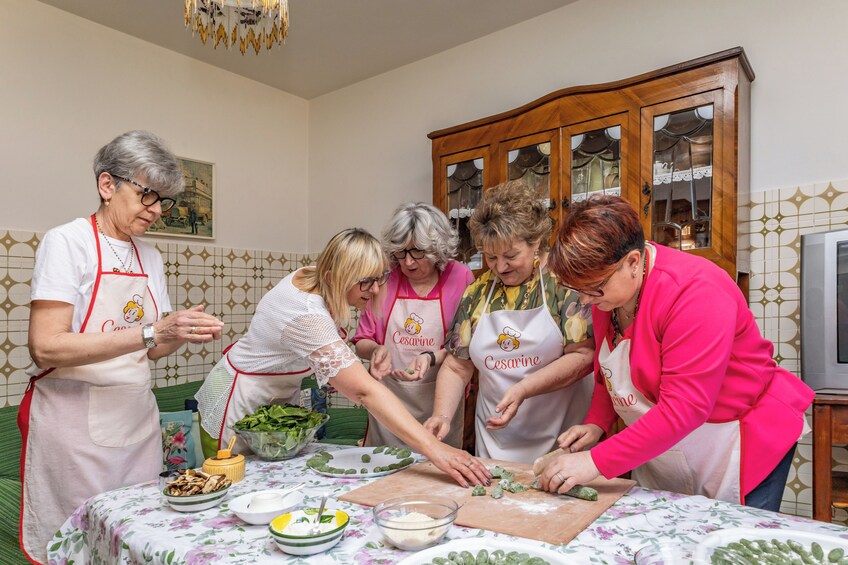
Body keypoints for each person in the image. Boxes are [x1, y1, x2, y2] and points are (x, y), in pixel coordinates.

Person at [20, 130, 224, 564]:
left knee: (138, 534)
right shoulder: (67, 242)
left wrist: (178, 331)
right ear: (107, 185)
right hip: (74, 426)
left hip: (136, 418)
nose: (156, 212)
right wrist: (152, 331)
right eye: (147, 196)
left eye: (162, 201)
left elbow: (149, 350)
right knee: (81, 542)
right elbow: (46, 347)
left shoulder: (151, 257)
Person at [540, 194, 814, 511]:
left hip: (737, 436)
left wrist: (597, 461)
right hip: (672, 441)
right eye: (579, 290)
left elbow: (686, 408)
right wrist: (596, 424)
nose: (585, 301)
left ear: (632, 262)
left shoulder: (695, 291)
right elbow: (611, 375)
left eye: (593, 289)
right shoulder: (609, 296)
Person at [195, 228, 491, 488]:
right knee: (235, 489)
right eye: (366, 282)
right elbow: (364, 390)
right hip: (237, 401)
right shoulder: (304, 314)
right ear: (333, 276)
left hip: (277, 403)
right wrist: (435, 450)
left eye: (379, 279)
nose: (375, 290)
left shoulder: (316, 276)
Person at [424, 180, 595, 462]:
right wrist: (441, 415)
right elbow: (457, 366)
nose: (500, 267)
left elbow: (583, 356)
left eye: (511, 256)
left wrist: (523, 389)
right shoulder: (477, 293)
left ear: (536, 242)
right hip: (496, 440)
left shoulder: (565, 285)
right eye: (490, 257)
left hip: (561, 439)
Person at [352, 203, 473, 448]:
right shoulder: (386, 278)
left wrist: (430, 357)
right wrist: (375, 350)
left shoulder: (460, 277)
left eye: (417, 252)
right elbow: (361, 340)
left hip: (440, 402)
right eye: (401, 253)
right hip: (389, 401)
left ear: (437, 249)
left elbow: (464, 346)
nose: (407, 262)